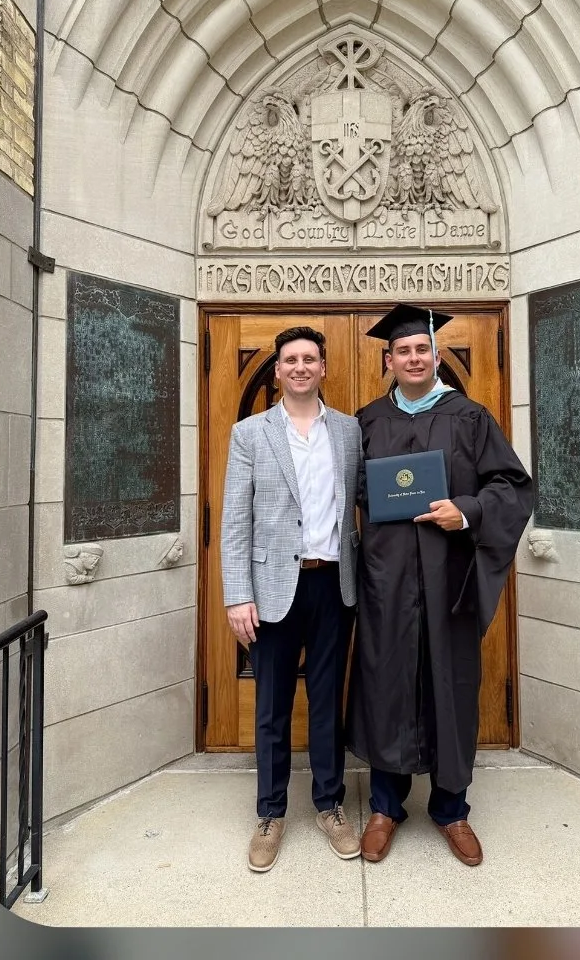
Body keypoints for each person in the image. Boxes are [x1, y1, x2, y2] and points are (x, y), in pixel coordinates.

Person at [348, 303, 536, 867]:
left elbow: (513, 487)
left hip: (449, 578)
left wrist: (469, 510)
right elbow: (350, 493)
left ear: (435, 356)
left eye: (421, 349)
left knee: (450, 685)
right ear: (388, 360)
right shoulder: (366, 421)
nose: (413, 357)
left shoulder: (470, 417)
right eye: (402, 350)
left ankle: (452, 809)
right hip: (386, 581)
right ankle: (385, 805)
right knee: (386, 684)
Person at [219, 325, 364, 871]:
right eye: (290, 360)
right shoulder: (250, 433)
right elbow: (235, 519)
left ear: (324, 368)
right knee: (272, 707)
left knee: (328, 702)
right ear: (277, 371)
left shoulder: (349, 431)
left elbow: (367, 500)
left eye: (310, 359)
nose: (300, 367)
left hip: (334, 584)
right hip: (272, 588)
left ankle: (329, 804)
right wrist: (238, 595)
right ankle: (271, 812)